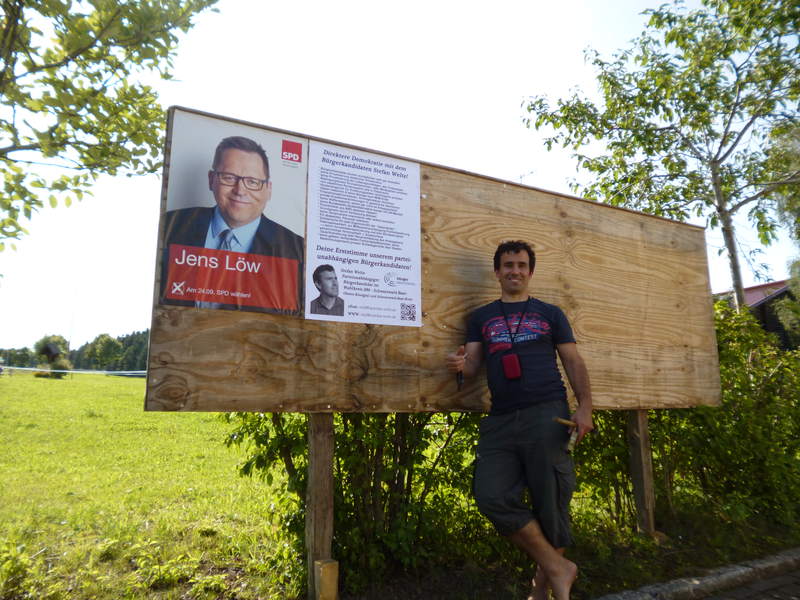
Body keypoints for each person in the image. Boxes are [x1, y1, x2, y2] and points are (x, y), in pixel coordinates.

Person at [446, 240, 594, 600]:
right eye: (508, 265)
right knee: (491, 495)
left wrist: (585, 407)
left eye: (521, 265)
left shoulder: (551, 314)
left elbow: (572, 361)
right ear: (497, 272)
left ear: (530, 272)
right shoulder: (481, 318)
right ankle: (559, 567)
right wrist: (460, 364)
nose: (515, 271)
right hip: (500, 419)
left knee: (551, 503)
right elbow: (473, 364)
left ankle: (542, 589)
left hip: (547, 414)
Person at [160, 135, 304, 314]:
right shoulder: (169, 226)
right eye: (229, 177)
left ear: (268, 190)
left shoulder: (298, 251)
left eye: (252, 182)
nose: (240, 190)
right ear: (211, 179)